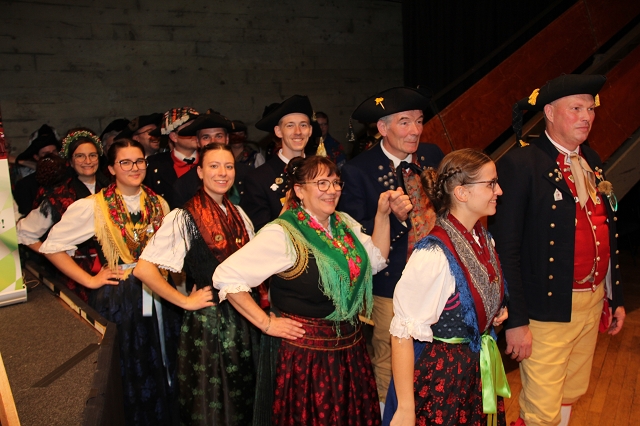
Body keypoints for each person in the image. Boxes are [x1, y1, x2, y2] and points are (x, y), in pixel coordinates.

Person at [213, 155, 394, 425]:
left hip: (351, 351)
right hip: (308, 358)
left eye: (336, 182)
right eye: (322, 183)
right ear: (299, 190)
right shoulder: (283, 233)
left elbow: (376, 260)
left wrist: (383, 215)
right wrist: (266, 323)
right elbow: (226, 275)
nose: (332, 190)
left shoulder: (344, 224)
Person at [489, 74, 625, 426]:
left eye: (590, 109)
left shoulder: (591, 158)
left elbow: (605, 231)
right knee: (541, 409)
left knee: (571, 392)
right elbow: (506, 250)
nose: (587, 117)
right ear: (549, 112)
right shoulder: (520, 165)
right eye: (576, 109)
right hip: (546, 310)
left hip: (592, 300)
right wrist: (516, 320)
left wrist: (614, 296)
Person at [40, 139, 181, 425]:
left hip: (158, 292)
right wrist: (90, 280)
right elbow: (52, 247)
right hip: (121, 298)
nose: (134, 167)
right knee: (130, 365)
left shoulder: (159, 203)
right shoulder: (93, 206)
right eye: (125, 162)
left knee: (165, 359)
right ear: (112, 168)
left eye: (139, 161)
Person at [134, 143, 259, 425]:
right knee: (214, 401)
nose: (222, 173)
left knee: (243, 396)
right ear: (200, 172)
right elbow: (144, 269)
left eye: (228, 166)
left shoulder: (239, 213)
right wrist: (185, 302)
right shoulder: (183, 217)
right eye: (214, 166)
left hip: (244, 317)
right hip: (211, 322)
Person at [385, 148, 510, 426]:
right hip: (445, 381)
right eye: (491, 184)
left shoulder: (481, 237)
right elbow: (402, 333)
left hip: (474, 372)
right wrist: (405, 408)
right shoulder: (434, 254)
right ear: (462, 193)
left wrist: (492, 311)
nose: (499, 191)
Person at [338, 86, 445, 406]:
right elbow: (355, 238)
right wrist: (394, 219)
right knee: (389, 357)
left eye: (419, 121)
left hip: (439, 278)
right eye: (404, 122)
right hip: (390, 284)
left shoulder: (433, 156)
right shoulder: (359, 170)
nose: (415, 130)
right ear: (383, 128)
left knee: (438, 353)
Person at [17, 128, 110, 301]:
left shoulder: (111, 189)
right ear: (70, 161)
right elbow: (25, 232)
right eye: (80, 156)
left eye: (92, 155)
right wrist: (54, 253)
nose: (88, 161)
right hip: (78, 280)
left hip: (112, 275)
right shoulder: (59, 195)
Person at [240, 95, 314, 231]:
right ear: (278, 131)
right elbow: (259, 233)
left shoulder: (322, 171)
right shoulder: (259, 179)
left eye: (303, 125)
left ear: (310, 130)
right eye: (290, 125)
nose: (298, 132)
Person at [171, 110, 251, 207]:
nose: (213, 141)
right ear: (198, 142)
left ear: (227, 139)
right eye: (206, 137)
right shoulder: (184, 185)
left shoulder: (249, 175)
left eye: (219, 136)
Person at [144, 107, 200, 208]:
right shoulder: (154, 164)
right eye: (188, 129)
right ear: (174, 136)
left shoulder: (210, 161)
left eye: (196, 128)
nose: (194, 133)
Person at [13, 125, 61, 216]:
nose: (52, 156)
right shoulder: (25, 185)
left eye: (54, 152)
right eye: (46, 154)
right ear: (36, 157)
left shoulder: (70, 177)